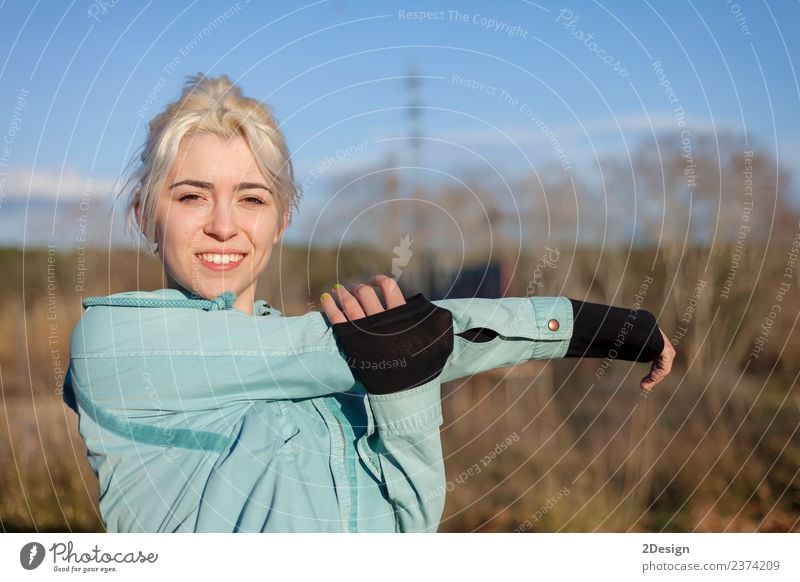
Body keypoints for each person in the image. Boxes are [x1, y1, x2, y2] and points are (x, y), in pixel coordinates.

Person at [64, 73, 675, 533]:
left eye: (251, 199)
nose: (224, 225)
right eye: (193, 196)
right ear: (146, 215)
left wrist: (404, 392)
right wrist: (607, 327)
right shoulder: (115, 348)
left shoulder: (343, 386)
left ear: (281, 221)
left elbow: (408, 528)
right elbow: (422, 339)